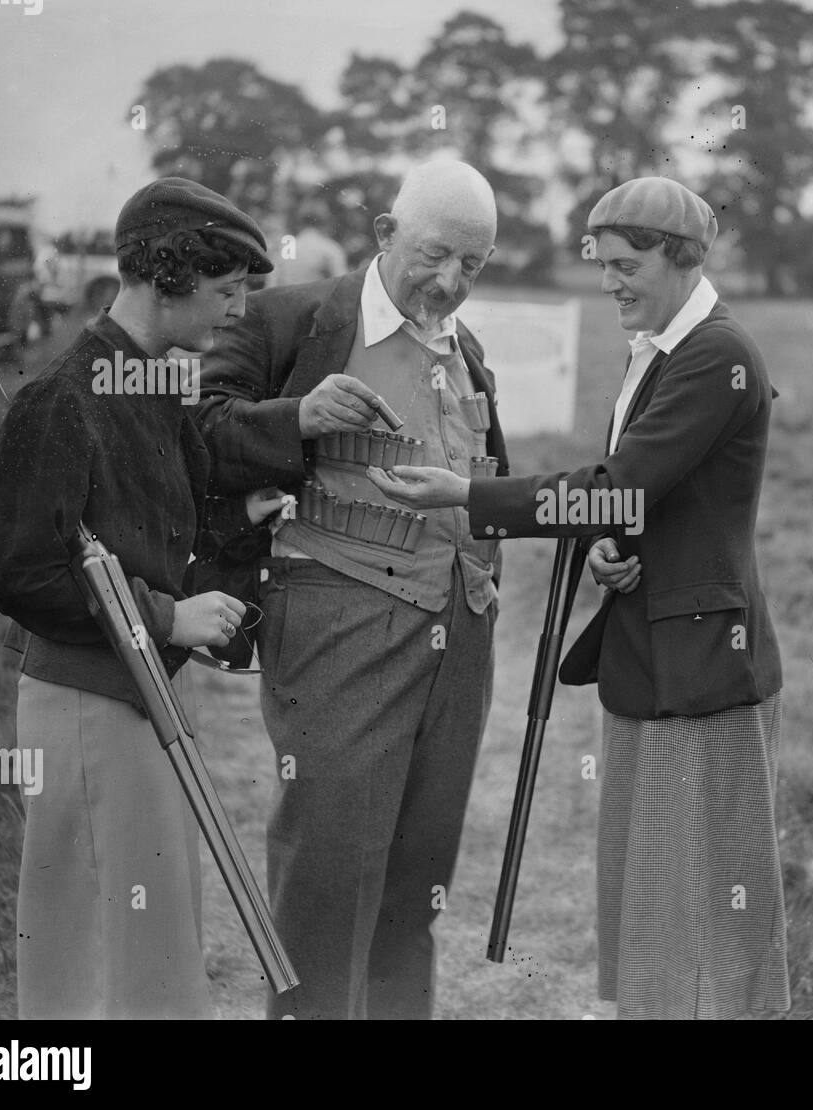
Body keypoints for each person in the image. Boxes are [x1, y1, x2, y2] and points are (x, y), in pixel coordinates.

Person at [370, 176, 788, 1020]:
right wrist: (611, 545)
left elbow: (621, 483)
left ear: (684, 259)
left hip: (703, 668)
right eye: (603, 264)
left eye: (626, 265)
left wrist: (466, 494)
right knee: (651, 895)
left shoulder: (716, 354)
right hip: (654, 650)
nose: (610, 283)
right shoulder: (664, 350)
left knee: (700, 903)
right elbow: (640, 503)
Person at [195, 160, 507, 1020]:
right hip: (338, 631)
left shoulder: (467, 350)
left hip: (460, 637)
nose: (450, 282)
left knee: (416, 888)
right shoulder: (289, 320)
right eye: (436, 255)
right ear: (383, 233)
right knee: (328, 886)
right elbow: (193, 435)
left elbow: (487, 478)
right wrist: (294, 419)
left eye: (473, 266)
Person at [0, 177, 281, 1019]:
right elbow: (22, 574)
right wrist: (165, 617)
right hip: (86, 699)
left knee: (153, 931)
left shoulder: (154, 385)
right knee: (90, 943)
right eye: (226, 292)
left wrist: (246, 516)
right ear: (171, 277)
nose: (235, 312)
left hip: (143, 691)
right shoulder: (59, 399)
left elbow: (168, 522)